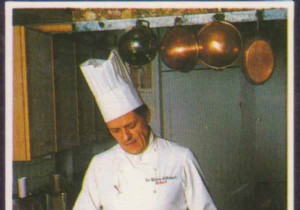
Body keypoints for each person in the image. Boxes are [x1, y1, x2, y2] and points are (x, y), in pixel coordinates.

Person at [73, 50, 217, 210]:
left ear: (147, 116)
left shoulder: (180, 158)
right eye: (116, 131)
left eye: (131, 126)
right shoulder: (100, 165)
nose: (125, 137)